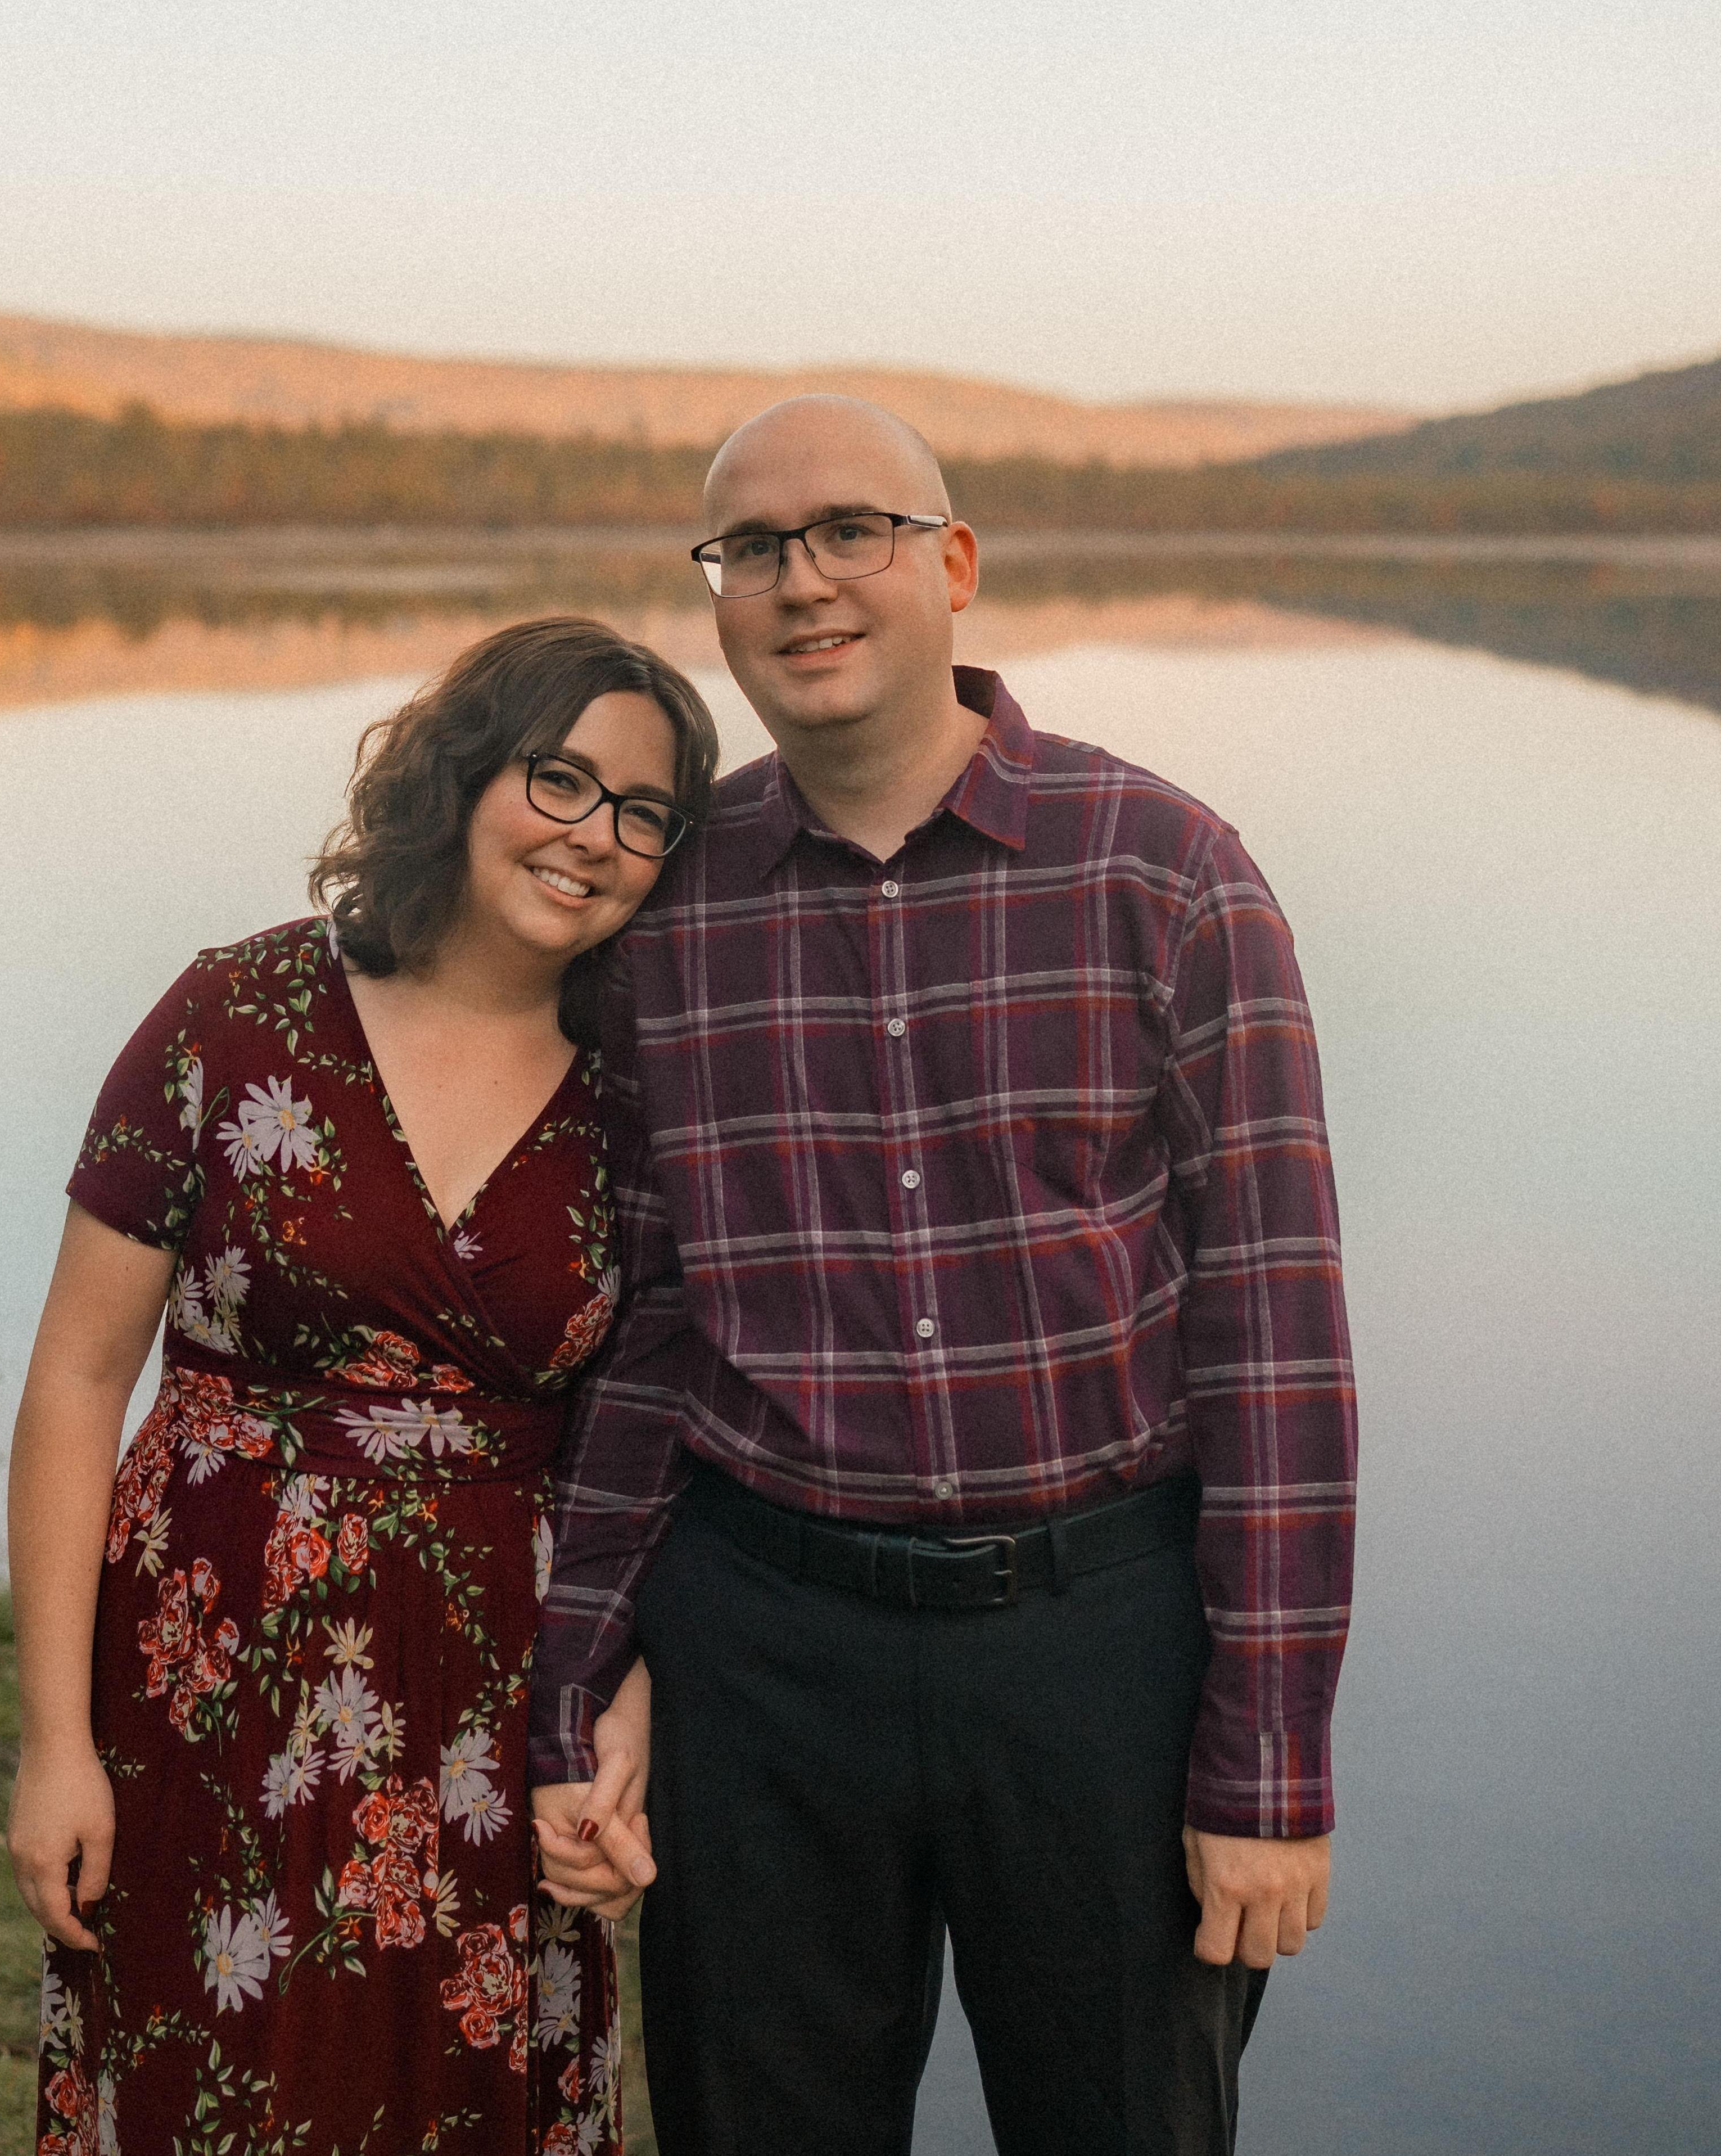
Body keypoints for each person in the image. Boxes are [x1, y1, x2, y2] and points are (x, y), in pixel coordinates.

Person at [527, 399, 1358, 2156]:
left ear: (952, 565)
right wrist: (580, 1666)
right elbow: (649, 1333)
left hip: (1096, 1647)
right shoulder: (665, 917)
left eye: (850, 531)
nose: (799, 582)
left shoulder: (1168, 872)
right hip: (760, 1651)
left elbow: (1272, 1346)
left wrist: (1266, 1763)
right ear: (717, 599)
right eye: (749, 549)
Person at [9, 615, 713, 2156]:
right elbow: (76, 1377)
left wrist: (621, 1689)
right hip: (207, 1666)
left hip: (492, 1684)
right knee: (213, 2080)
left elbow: (644, 1436)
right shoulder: (233, 1015)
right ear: (464, 775)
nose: (595, 839)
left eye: (644, 814)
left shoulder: (639, 1096)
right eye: (562, 780)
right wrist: (53, 1741)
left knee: (460, 2094)